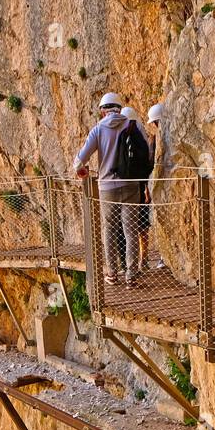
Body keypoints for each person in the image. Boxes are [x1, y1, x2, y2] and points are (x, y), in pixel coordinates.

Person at [73, 93, 153, 287]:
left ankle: (112, 273)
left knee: (109, 230)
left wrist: (82, 171)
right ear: (119, 108)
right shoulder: (132, 125)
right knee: (131, 230)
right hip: (131, 185)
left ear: (103, 111)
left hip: (107, 187)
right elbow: (148, 154)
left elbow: (78, 161)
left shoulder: (98, 130)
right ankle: (131, 276)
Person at [140, 102, 165, 272]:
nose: (155, 126)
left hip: (158, 187)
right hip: (160, 186)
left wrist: (146, 188)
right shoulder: (158, 140)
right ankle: (164, 256)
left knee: (160, 223)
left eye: (155, 123)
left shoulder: (156, 141)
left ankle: (164, 256)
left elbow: (149, 166)